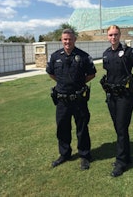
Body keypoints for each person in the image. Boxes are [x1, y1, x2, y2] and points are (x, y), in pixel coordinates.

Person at [46, 29, 96, 170]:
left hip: (79, 99)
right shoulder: (55, 56)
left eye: (70, 39)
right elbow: (51, 73)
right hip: (62, 100)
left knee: (82, 128)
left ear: (75, 39)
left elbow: (92, 74)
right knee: (62, 128)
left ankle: (85, 156)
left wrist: (78, 83)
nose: (67, 42)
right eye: (65, 39)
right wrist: (63, 83)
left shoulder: (84, 56)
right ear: (61, 40)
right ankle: (64, 154)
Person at [100, 25, 133, 177]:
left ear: (120, 35)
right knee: (119, 128)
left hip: (125, 96)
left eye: (116, 34)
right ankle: (127, 157)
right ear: (107, 36)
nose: (113, 37)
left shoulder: (129, 52)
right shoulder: (106, 54)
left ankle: (120, 162)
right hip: (111, 97)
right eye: (111, 35)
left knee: (121, 127)